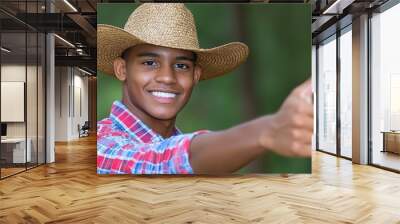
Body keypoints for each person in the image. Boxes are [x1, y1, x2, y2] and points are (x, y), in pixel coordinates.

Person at [97, 3, 313, 174]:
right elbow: (159, 162)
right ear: (122, 69)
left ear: (196, 75)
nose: (167, 77)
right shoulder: (101, 143)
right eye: (150, 63)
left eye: (181, 66)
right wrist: (267, 131)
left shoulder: (198, 152)